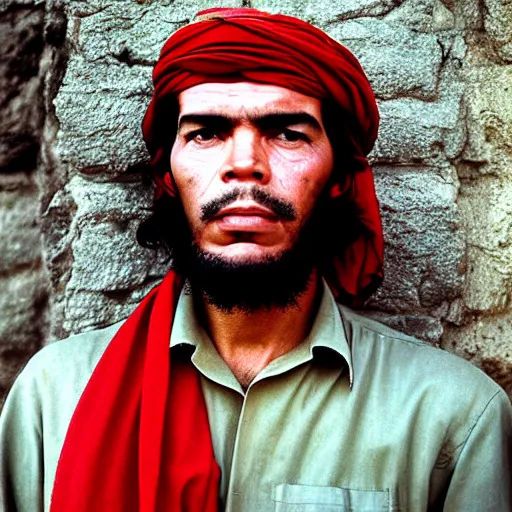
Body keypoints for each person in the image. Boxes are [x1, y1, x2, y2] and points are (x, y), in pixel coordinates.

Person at [0, 7, 510, 512]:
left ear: (338, 177)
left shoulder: (453, 417)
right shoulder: (52, 401)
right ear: (167, 176)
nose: (245, 165)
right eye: (206, 132)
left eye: (288, 133)